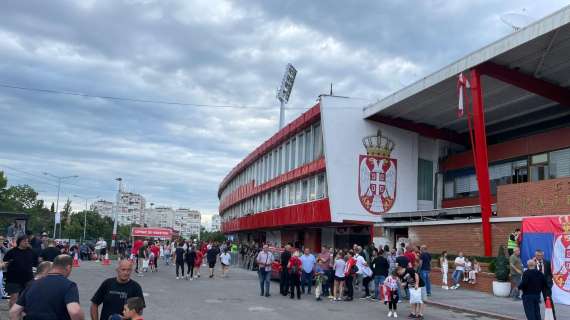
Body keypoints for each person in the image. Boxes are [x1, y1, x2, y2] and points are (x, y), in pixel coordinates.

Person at [9, 255, 84, 320]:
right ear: (68, 267)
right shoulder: (69, 285)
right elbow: (75, 312)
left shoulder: (32, 284)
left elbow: (14, 311)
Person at [3, 234, 37, 308]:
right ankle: (13, 315)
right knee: (14, 298)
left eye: (27, 241)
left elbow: (36, 263)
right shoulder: (11, 252)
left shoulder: (31, 252)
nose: (26, 242)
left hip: (28, 279)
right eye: (24, 241)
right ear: (20, 242)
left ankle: (23, 315)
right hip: (13, 279)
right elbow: (5, 263)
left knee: (27, 298)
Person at [533, 249, 555, 318]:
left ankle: (553, 317)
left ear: (543, 255)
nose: (539, 257)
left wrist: (550, 282)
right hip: (535, 285)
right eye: (537, 255)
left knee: (549, 301)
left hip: (546, 285)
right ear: (535, 255)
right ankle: (536, 317)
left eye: (540, 255)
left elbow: (550, 274)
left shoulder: (547, 262)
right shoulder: (532, 263)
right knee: (535, 302)